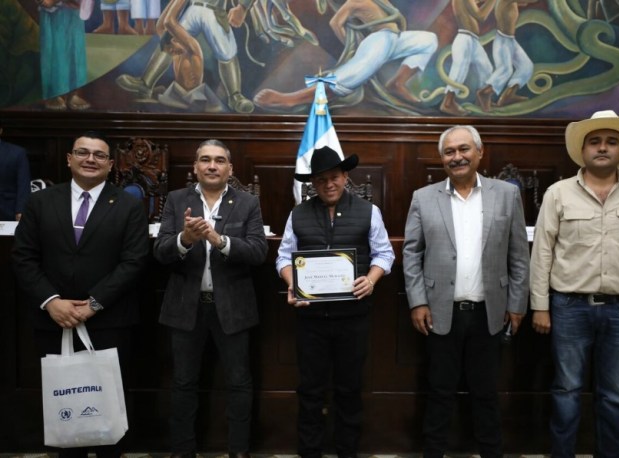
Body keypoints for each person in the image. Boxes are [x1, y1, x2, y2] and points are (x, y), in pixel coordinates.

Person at [530, 110, 619, 456]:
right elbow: (542, 253)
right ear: (583, 149)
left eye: (611, 142)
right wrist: (540, 306)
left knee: (614, 396)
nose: (602, 148)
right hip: (569, 307)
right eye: (595, 141)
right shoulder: (559, 193)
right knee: (566, 391)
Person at [12, 130, 150, 458]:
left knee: (109, 407)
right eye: (83, 152)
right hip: (53, 321)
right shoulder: (41, 201)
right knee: (64, 406)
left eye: (99, 155)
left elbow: (134, 261)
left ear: (111, 164)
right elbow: (23, 256)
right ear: (69, 159)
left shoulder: (129, 205)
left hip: (109, 321)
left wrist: (94, 303)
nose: (91, 159)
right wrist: (52, 302)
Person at [403, 125, 529, 458]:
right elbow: (411, 254)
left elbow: (519, 254)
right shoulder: (423, 197)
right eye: (449, 152)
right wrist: (417, 301)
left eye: (464, 149)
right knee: (439, 391)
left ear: (479, 152)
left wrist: (517, 305)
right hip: (440, 314)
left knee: (486, 393)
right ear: (441, 158)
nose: (456, 157)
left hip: (490, 312)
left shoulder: (506, 194)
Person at [275, 146, 395, 458]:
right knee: (310, 391)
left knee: (349, 390)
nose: (329, 184)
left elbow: (385, 254)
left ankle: (347, 451)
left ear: (345, 177)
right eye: (321, 180)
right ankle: (310, 451)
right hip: (310, 319)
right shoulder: (298, 214)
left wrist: (371, 279)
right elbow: (284, 257)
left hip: (353, 318)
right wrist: (293, 285)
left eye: (334, 177)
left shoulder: (369, 211)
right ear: (312, 183)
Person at [153, 139, 268, 458]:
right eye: (205, 160)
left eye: (219, 160)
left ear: (230, 169)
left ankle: (239, 451)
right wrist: (184, 240)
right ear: (195, 167)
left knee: (239, 382)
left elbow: (259, 252)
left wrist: (219, 240)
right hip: (185, 308)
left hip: (233, 308)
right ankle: (182, 450)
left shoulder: (247, 203)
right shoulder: (176, 200)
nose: (212, 166)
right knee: (183, 382)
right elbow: (160, 253)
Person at [254, 0, 437, 109]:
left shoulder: (382, 1)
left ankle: (397, 83)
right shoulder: (353, 2)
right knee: (356, 71)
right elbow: (336, 22)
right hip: (378, 39)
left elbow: (397, 19)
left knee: (428, 40)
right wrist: (352, 47)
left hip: (396, 39)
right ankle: (295, 98)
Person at [117, 0, 256, 113]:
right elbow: (166, 22)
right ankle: (146, 84)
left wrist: (242, 7)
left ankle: (235, 96)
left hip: (214, 11)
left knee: (227, 52)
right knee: (170, 40)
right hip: (193, 8)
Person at [439, 0, 496, 116]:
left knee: (487, 69)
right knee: (459, 71)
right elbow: (481, 16)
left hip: (472, 39)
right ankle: (447, 103)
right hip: (464, 38)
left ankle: (481, 100)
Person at [0, 126, 31, 220]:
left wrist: (21, 211)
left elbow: (23, 184)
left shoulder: (17, 153)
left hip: (8, 210)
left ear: (0, 130)